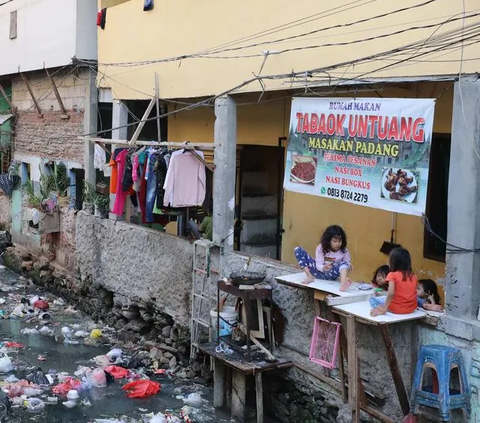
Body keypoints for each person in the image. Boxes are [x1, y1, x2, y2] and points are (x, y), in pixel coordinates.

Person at [294, 225, 352, 291]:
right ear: (328, 240)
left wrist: (349, 267)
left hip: (331, 274)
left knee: (344, 263)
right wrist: (323, 268)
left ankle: (343, 283)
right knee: (298, 249)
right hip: (317, 272)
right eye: (334, 241)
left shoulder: (344, 250)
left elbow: (347, 263)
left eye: (339, 241)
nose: (337, 244)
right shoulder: (321, 248)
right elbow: (318, 264)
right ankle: (309, 276)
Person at [369, 247, 417, 316]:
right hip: (412, 308)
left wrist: (384, 308)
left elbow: (391, 293)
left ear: (394, 262)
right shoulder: (413, 276)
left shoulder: (392, 275)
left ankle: (380, 309)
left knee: (372, 299)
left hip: (396, 309)